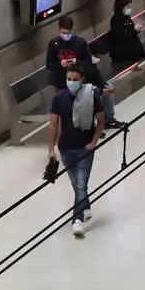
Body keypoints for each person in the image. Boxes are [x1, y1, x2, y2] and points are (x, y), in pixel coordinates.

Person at [48, 64, 105, 237]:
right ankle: (85, 206)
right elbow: (52, 125)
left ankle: (77, 219)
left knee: (81, 184)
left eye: (75, 80)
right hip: (66, 148)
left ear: (82, 80)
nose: (71, 83)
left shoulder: (92, 95)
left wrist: (94, 141)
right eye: (69, 79)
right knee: (76, 184)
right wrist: (51, 149)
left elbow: (101, 120)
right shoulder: (58, 99)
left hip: (84, 147)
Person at [45, 16, 124, 130]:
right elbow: (49, 64)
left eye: (68, 33)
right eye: (63, 33)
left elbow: (88, 64)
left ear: (73, 30)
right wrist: (60, 65)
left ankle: (108, 119)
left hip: (82, 80)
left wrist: (76, 62)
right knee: (81, 99)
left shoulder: (80, 43)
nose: (65, 36)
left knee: (106, 89)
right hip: (63, 82)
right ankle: (86, 127)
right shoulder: (54, 44)